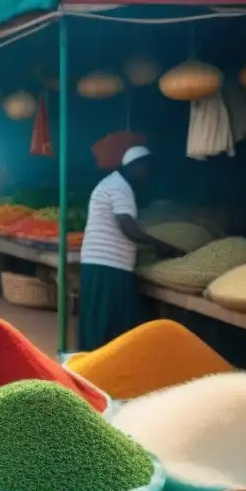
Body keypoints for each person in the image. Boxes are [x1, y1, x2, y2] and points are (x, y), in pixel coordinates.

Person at [79, 146, 181, 351]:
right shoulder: (120, 187)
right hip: (108, 265)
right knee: (107, 323)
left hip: (100, 263)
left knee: (97, 318)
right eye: (147, 169)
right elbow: (127, 227)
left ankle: (91, 362)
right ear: (137, 166)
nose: (148, 176)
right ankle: (98, 366)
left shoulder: (112, 183)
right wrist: (159, 245)